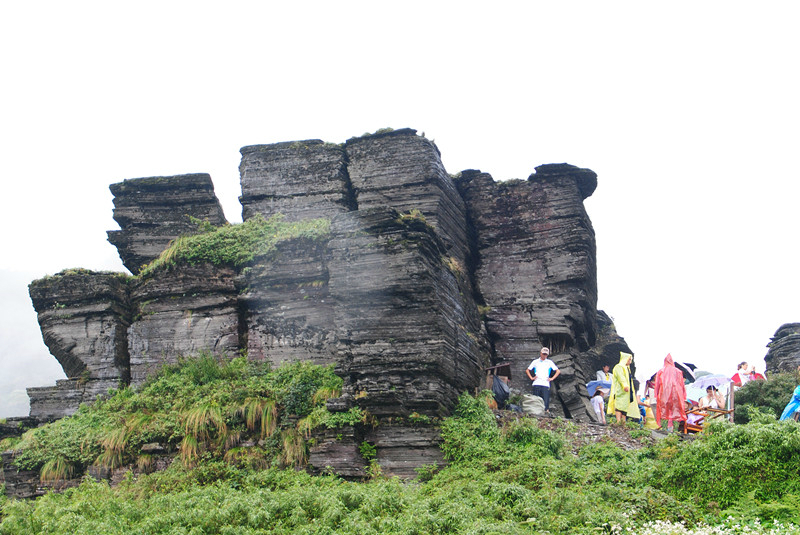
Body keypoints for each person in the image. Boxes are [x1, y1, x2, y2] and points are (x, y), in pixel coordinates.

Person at [654, 353, 687, 432]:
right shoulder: (678, 372)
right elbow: (682, 385)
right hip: (676, 396)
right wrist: (683, 396)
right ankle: (675, 431)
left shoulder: (660, 371)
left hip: (664, 396)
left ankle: (664, 430)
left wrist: (656, 395)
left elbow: (657, 385)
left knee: (664, 413)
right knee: (676, 413)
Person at [526, 347, 560, 415]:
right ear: (540, 353)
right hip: (537, 382)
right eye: (543, 354)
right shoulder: (535, 361)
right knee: (536, 399)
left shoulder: (549, 362)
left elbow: (558, 371)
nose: (544, 356)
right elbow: (527, 370)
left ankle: (546, 412)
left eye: (546, 354)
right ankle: (535, 413)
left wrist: (552, 378)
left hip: (545, 383)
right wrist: (532, 378)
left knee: (545, 400)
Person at [606, 352, 639, 424]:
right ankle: (618, 421)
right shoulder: (619, 367)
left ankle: (623, 421)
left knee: (624, 406)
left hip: (627, 391)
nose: (630, 361)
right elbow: (621, 377)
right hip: (620, 390)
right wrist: (625, 385)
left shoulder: (627, 368)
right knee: (619, 405)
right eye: (629, 359)